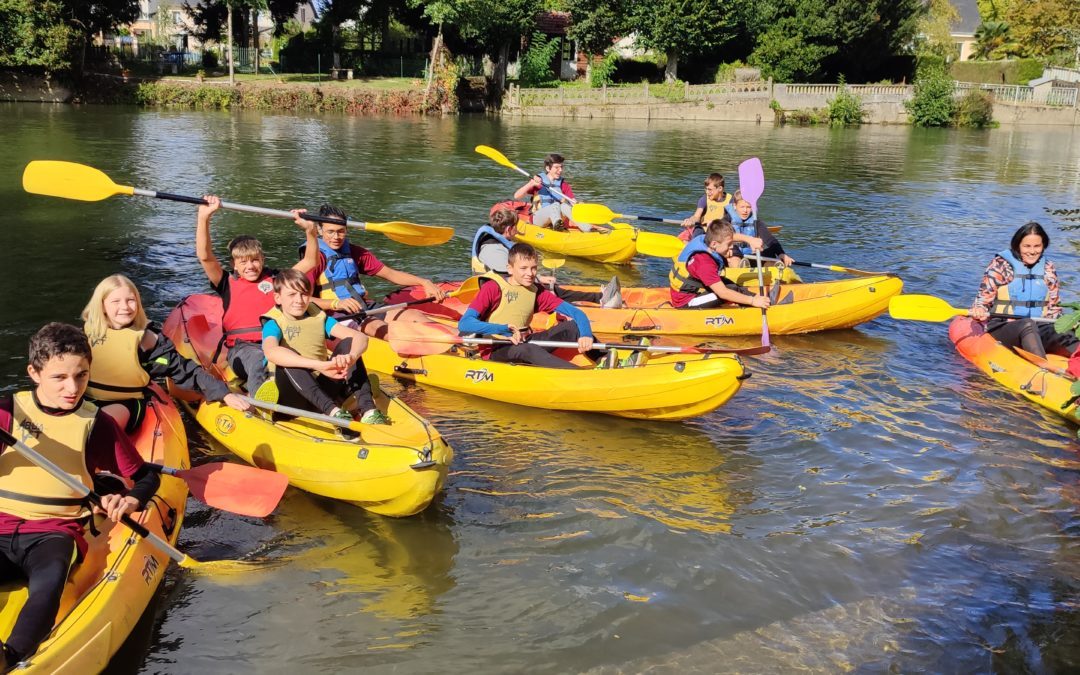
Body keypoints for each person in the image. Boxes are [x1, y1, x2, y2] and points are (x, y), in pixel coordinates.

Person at [0, 323, 161, 668]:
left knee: (50, 580)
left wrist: (132, 499)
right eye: (59, 377)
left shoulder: (97, 423)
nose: (72, 388)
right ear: (34, 372)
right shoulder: (6, 413)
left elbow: (145, 476)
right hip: (1, 525)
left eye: (81, 375)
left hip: (54, 532)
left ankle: (10, 655)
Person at [80, 274, 251, 433]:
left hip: (124, 403)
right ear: (102, 306)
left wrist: (224, 393)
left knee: (99, 427)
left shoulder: (147, 339)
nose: (124, 307)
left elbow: (183, 369)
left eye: (130, 300)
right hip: (86, 399)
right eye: (115, 301)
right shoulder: (88, 332)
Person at [196, 195, 319, 394]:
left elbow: (310, 261)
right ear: (234, 264)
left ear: (262, 259)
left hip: (277, 342)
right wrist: (204, 218)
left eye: (254, 260)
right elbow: (205, 255)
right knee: (259, 360)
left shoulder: (277, 279)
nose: (250, 266)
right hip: (243, 350)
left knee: (304, 358)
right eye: (243, 262)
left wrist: (310, 231)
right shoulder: (226, 282)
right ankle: (259, 407)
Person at [261, 269, 387, 429]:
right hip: (291, 398)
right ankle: (334, 410)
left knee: (349, 343)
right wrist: (320, 365)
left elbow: (360, 337)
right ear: (278, 298)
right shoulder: (273, 323)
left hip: (322, 389)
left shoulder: (318, 317)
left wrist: (351, 357)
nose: (299, 300)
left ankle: (368, 410)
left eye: (304, 294)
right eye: (292, 295)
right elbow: (271, 351)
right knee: (287, 356)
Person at [301, 204, 445, 339]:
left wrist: (424, 282)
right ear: (319, 230)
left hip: (362, 306)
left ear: (347, 230)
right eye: (330, 232)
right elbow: (302, 299)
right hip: (335, 314)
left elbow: (390, 274)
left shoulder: (354, 252)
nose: (336, 237)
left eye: (340, 231)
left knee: (414, 315)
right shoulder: (315, 258)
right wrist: (336, 303)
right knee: (382, 329)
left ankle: (461, 340)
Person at [458, 243, 606, 369]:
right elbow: (465, 324)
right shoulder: (492, 288)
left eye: (534, 268)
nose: (530, 273)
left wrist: (585, 334)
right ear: (510, 268)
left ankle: (606, 360)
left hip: (524, 342)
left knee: (573, 327)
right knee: (527, 349)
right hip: (495, 348)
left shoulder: (536, 292)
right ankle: (580, 376)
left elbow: (576, 313)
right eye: (523, 268)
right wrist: (503, 329)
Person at [473, 207, 623, 308]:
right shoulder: (492, 249)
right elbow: (509, 276)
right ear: (508, 229)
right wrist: (538, 279)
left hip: (511, 287)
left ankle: (596, 297)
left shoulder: (497, 243)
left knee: (551, 287)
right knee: (552, 290)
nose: (518, 230)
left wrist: (538, 277)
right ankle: (601, 299)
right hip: (503, 296)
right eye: (516, 227)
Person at [969, 222, 1079, 359]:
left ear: (1043, 246)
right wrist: (979, 310)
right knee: (1027, 324)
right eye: (1027, 246)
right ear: (1017, 245)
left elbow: (1054, 308)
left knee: (1065, 333)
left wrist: (1069, 324)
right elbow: (982, 301)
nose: (1032, 251)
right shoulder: (1001, 265)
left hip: (1040, 326)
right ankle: (1041, 370)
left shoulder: (1048, 268)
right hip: (1003, 326)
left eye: (1037, 246)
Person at [669, 220, 773, 310]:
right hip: (686, 302)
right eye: (728, 245)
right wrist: (752, 301)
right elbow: (723, 293)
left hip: (693, 290)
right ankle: (755, 303)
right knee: (730, 290)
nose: (731, 247)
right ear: (714, 244)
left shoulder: (704, 239)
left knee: (730, 283)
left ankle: (761, 300)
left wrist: (750, 239)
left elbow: (727, 237)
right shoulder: (704, 262)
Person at [512, 153, 592, 232]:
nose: (560, 170)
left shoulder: (563, 185)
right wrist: (531, 183)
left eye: (561, 167)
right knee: (556, 205)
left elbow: (572, 202)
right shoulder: (538, 182)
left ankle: (586, 228)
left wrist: (578, 205)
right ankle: (557, 227)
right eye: (557, 167)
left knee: (564, 206)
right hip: (538, 218)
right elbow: (516, 196)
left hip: (557, 219)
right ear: (548, 168)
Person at [724, 194, 795, 268]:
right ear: (735, 206)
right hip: (734, 255)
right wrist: (749, 240)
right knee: (733, 249)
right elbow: (724, 236)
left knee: (771, 251)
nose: (745, 210)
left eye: (748, 207)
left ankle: (775, 268)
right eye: (742, 207)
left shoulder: (756, 222)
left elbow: (770, 239)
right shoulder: (726, 220)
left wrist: (781, 253)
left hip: (752, 256)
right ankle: (740, 268)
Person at [680, 173, 732, 241]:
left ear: (720, 188)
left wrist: (715, 223)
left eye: (710, 189)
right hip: (703, 229)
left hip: (720, 231)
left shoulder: (731, 200)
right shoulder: (704, 199)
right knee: (698, 231)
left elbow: (730, 218)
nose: (707, 192)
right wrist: (691, 220)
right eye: (706, 189)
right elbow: (696, 216)